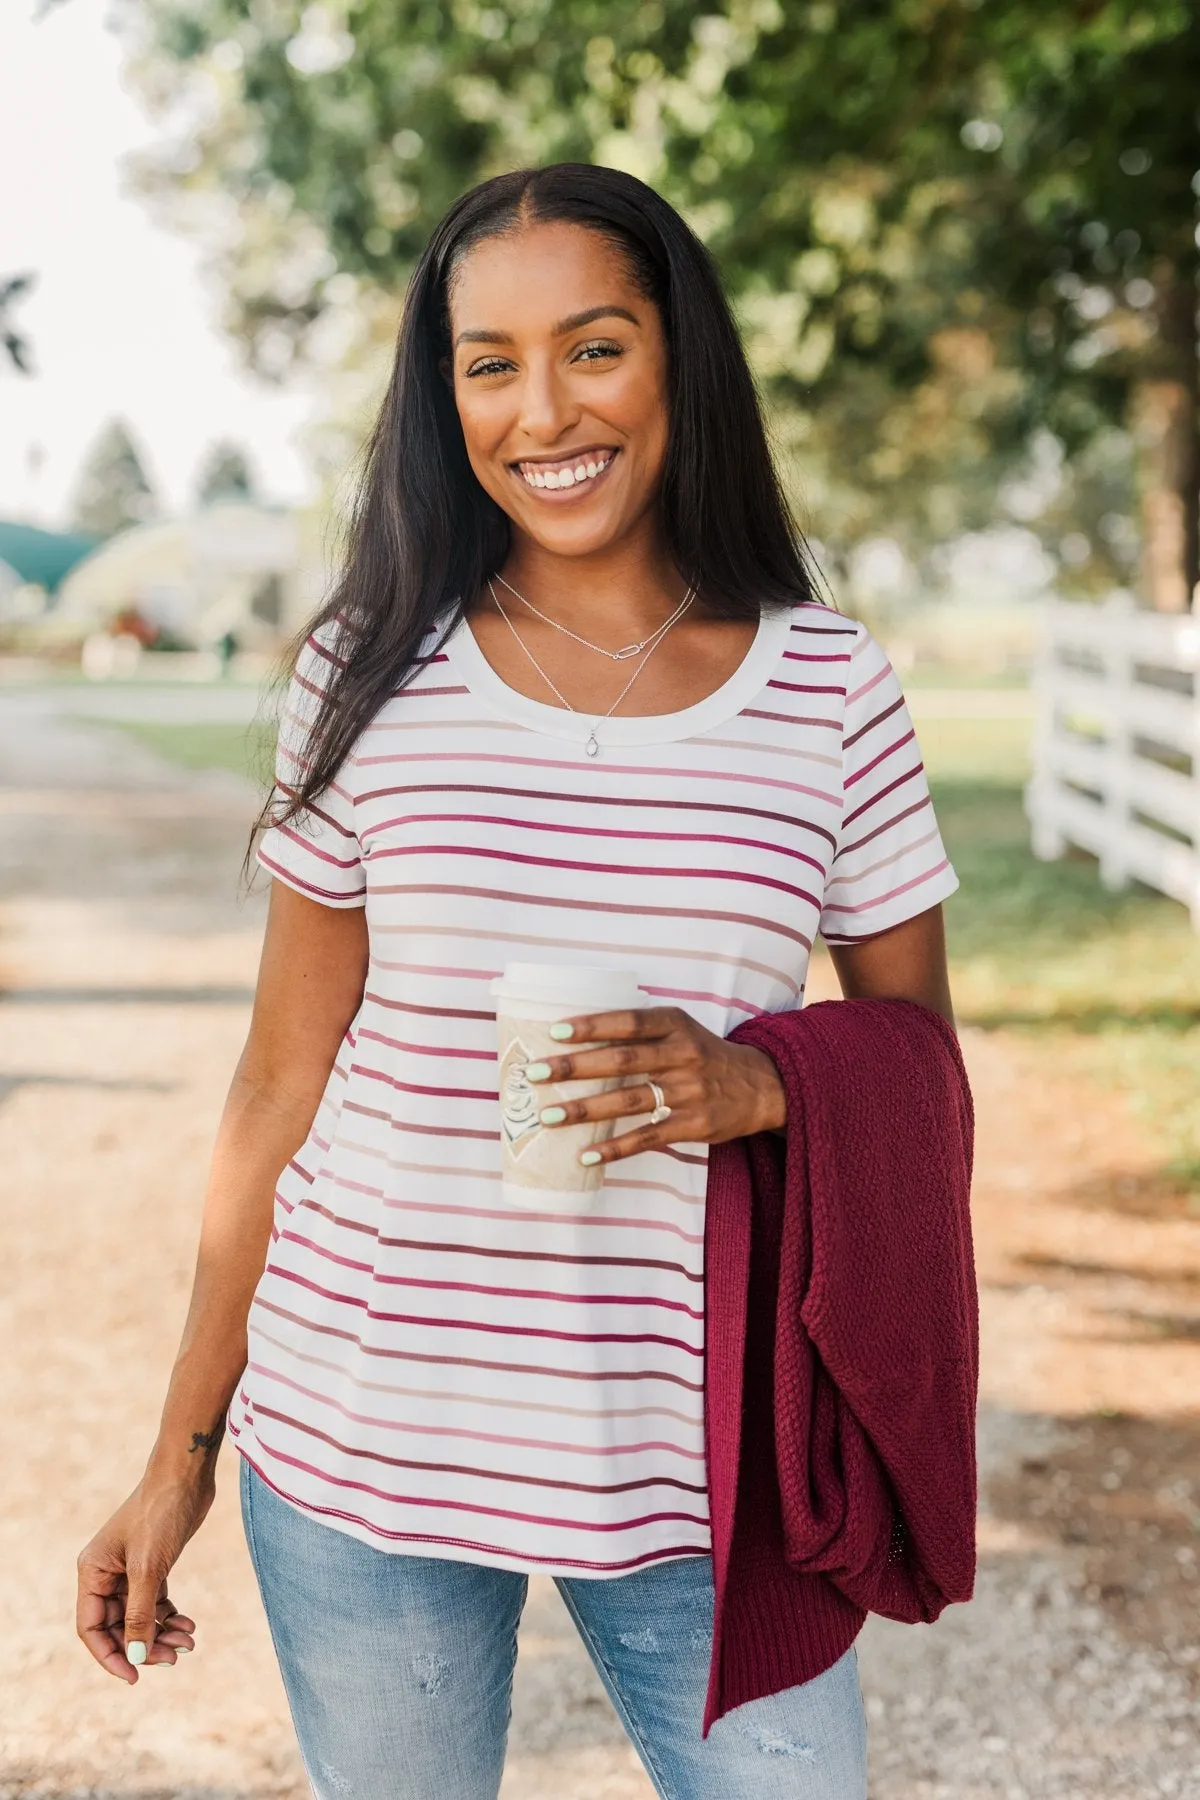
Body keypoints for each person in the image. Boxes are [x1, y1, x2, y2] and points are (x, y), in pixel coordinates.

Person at [76, 163, 959, 1800]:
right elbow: (278, 1085)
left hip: (706, 1471)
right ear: (447, 394)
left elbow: (920, 1058)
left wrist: (757, 1082)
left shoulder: (828, 688)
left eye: (596, 347)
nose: (542, 408)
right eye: (490, 362)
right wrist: (177, 1461)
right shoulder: (369, 665)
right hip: (367, 1449)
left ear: (679, 358)